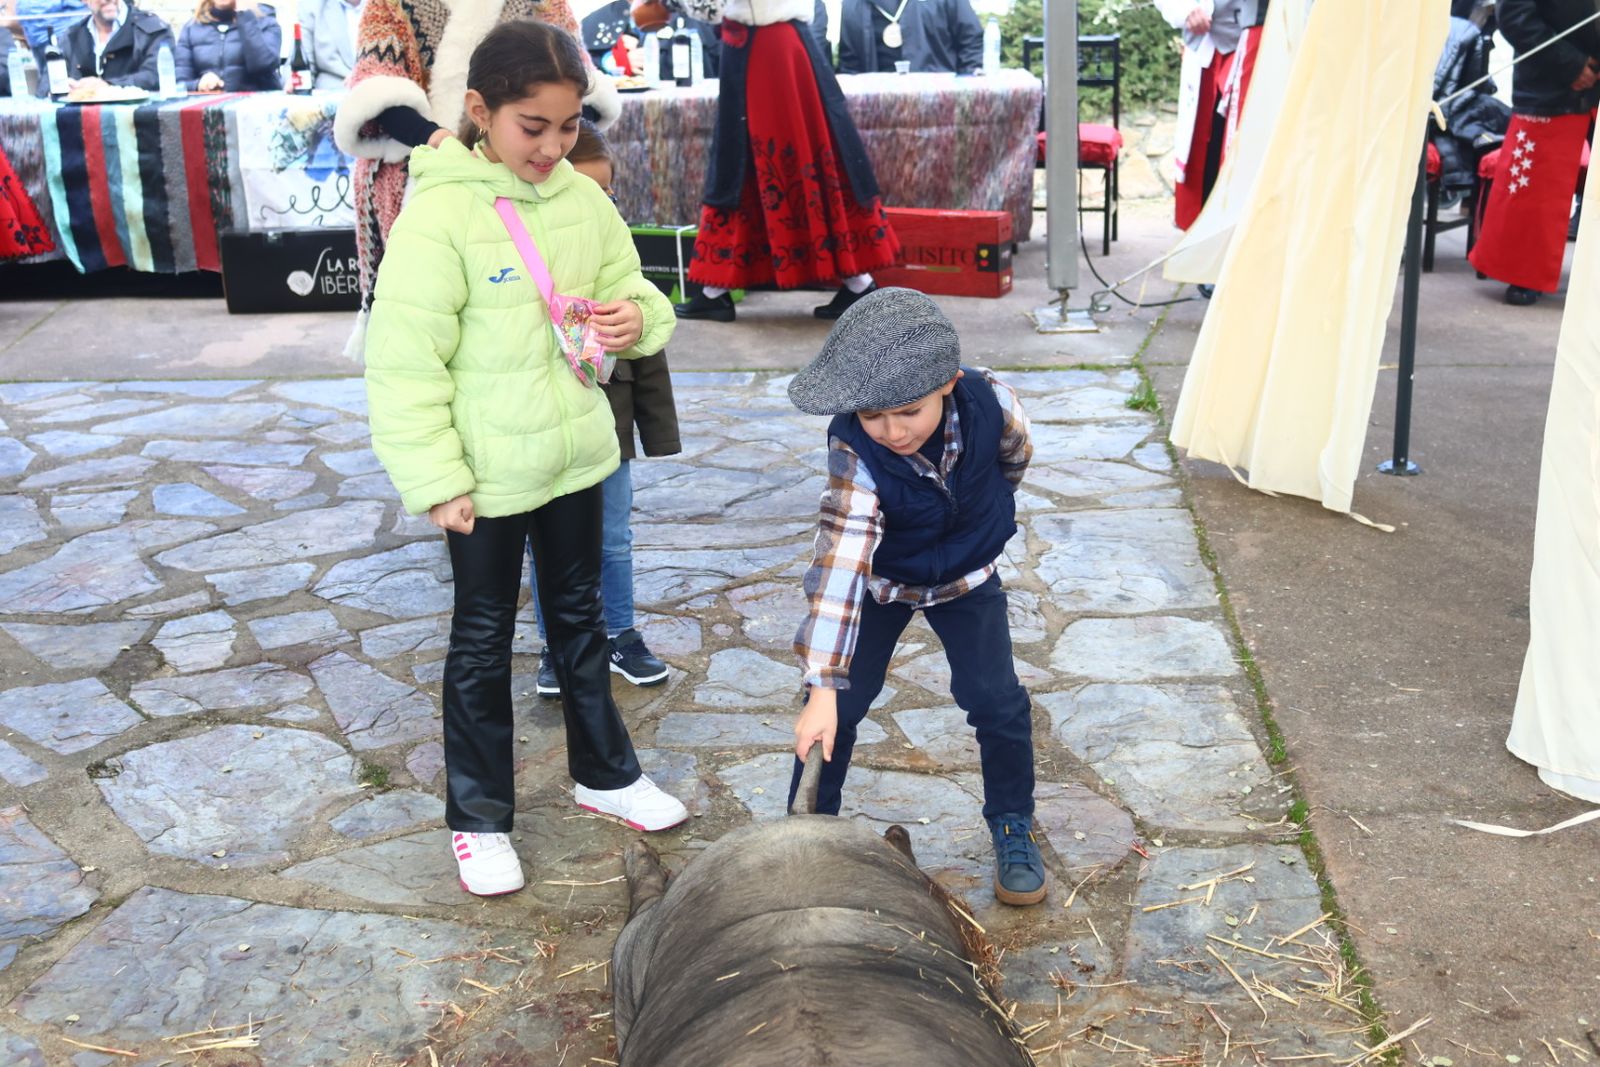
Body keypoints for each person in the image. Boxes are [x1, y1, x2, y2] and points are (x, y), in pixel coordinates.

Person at [363, 20, 687, 897]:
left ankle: (606, 774)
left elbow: (639, 294)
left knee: (580, 620)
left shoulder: (584, 200)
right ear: (479, 111)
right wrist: (437, 480)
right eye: (530, 127)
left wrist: (636, 321)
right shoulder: (441, 216)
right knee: (480, 638)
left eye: (568, 126)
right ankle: (478, 817)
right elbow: (402, 363)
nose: (552, 146)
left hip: (577, 459)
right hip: (485, 477)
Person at [786, 287, 1045, 907]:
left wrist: (985, 523)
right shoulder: (855, 447)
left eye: (907, 412)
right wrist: (823, 684)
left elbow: (1015, 459)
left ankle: (1012, 822)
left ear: (948, 384)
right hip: (883, 579)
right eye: (874, 416)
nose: (892, 431)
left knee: (995, 700)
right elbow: (842, 558)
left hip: (966, 578)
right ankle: (807, 836)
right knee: (836, 713)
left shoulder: (992, 401)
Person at [332, 0, 622, 355]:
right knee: (416, 323)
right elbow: (376, 88)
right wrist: (441, 141)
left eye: (569, 126)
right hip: (416, 166)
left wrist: (541, 132)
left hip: (528, 175)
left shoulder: (546, 4)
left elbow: (576, 84)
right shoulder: (390, 5)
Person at [528, 120, 681, 698]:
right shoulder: (531, 260)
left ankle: (620, 633)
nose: (600, 203)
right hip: (543, 430)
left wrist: (657, 431)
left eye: (607, 193)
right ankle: (556, 644)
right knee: (547, 546)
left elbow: (647, 355)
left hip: (608, 434)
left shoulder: (614, 258)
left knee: (613, 538)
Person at [669, 0, 901, 323]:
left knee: (762, 159)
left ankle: (716, 293)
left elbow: (711, 5)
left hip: (767, 48)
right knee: (761, 159)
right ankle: (857, 282)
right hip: (773, 43)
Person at [1468, 0, 1600, 305]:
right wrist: (1570, 64)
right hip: (1550, 84)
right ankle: (1524, 273)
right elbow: (1514, 16)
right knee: (1536, 187)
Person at [1156, 0, 1270, 230]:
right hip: (1206, 49)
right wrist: (1185, 9)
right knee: (1204, 156)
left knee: (1245, 147)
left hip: (1257, 41)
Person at [836, 0, 982, 75]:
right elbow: (849, 68)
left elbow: (970, 42)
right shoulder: (852, 4)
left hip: (938, 103)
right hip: (878, 111)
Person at [59, 0, 174, 93]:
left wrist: (108, 86)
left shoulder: (153, 30)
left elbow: (155, 77)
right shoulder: (71, 36)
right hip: (79, 119)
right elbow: (46, 85)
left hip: (140, 118)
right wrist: (63, 87)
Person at [173, 0, 282, 93]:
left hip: (255, 109)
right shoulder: (191, 28)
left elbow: (263, 65)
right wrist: (198, 85)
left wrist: (246, 16)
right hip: (209, 110)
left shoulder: (266, 23)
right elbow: (179, 84)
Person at [8, 0, 81, 96]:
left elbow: (80, 10)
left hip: (60, 39)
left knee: (51, 88)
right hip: (36, 42)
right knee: (46, 88)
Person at [299, 0, 363, 90]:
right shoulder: (311, 5)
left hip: (378, 88)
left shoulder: (386, 4)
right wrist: (296, 80)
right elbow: (301, 61)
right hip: (334, 91)